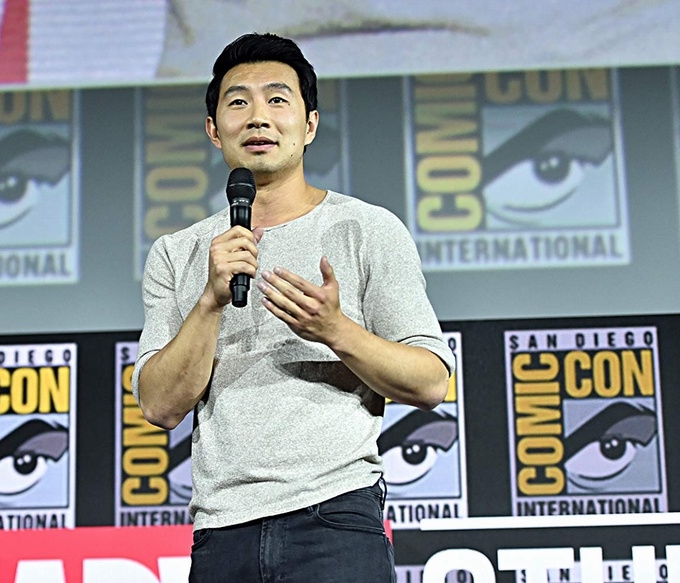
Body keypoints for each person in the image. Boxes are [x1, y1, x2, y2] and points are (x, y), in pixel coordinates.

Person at [132, 32, 455, 583]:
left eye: (277, 99)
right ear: (214, 130)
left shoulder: (366, 229)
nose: (258, 117)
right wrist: (210, 302)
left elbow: (430, 383)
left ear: (309, 125)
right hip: (221, 532)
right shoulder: (177, 253)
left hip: (335, 520)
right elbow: (159, 405)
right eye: (238, 102)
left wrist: (335, 330)